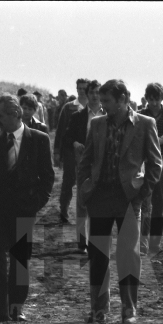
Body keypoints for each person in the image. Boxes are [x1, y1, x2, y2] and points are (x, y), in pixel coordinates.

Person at [78, 79, 162, 324]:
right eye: (101, 100)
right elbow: (86, 159)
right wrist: (85, 188)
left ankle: (129, 310)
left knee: (128, 257)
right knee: (98, 257)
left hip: (128, 200)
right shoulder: (97, 124)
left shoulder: (145, 124)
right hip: (100, 198)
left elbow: (155, 164)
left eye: (106, 101)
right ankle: (99, 310)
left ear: (123, 99)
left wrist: (141, 195)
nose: (101, 105)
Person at [0, 94, 54, 322]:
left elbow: (47, 177)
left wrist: (36, 203)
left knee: (20, 262)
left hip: (24, 210)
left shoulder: (39, 139)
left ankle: (16, 308)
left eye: (0, 115)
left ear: (16, 114)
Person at [138, 83, 163, 256]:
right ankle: (143, 243)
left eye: (157, 99)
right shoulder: (140, 114)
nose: (153, 103)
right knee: (144, 202)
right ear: (147, 98)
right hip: (144, 163)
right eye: (151, 99)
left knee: (160, 203)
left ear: (162, 98)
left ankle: (155, 242)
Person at [64, 80, 104, 253]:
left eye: (98, 92)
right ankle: (82, 242)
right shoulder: (78, 116)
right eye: (92, 92)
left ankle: (97, 239)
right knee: (82, 203)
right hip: (83, 164)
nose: (95, 95)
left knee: (100, 202)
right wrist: (74, 143)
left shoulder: (109, 115)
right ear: (86, 95)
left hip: (103, 165)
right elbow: (67, 137)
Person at [54, 78, 90, 223]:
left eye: (84, 88)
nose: (82, 90)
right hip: (70, 149)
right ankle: (64, 209)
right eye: (79, 88)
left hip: (88, 150)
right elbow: (61, 130)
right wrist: (57, 151)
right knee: (69, 180)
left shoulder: (95, 107)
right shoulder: (69, 107)